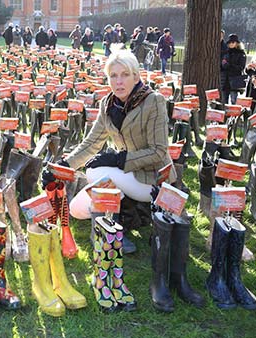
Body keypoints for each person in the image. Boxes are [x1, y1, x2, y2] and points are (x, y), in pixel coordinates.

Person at [42, 49, 176, 254]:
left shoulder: (153, 101)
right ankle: (112, 222)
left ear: (136, 76)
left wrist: (118, 160)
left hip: (153, 180)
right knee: (77, 210)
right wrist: (62, 167)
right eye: (113, 75)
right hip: (127, 175)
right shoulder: (108, 104)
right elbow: (91, 144)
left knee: (94, 172)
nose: (119, 81)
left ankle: (113, 233)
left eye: (125, 75)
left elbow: (158, 151)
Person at [221, 34, 246, 104]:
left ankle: (234, 114)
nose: (231, 44)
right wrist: (224, 65)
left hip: (235, 80)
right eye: (229, 42)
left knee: (233, 100)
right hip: (225, 80)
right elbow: (222, 64)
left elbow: (241, 67)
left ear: (237, 43)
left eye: (233, 42)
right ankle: (225, 114)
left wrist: (228, 65)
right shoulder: (226, 52)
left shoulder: (241, 53)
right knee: (224, 101)